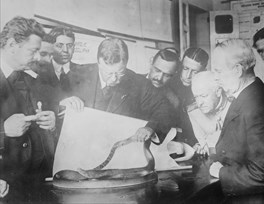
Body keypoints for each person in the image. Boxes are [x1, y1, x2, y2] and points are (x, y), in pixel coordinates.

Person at [192, 39, 264, 203]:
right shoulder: (248, 96)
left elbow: (263, 174)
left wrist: (221, 173)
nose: (216, 78)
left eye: (218, 71)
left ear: (237, 70)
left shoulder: (257, 105)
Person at [69, 37, 175, 142]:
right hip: (80, 142)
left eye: (120, 73)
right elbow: (54, 101)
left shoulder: (139, 84)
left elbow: (165, 110)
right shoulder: (77, 74)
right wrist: (63, 102)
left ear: (126, 63)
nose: (115, 79)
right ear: (99, 63)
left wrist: (150, 127)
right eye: (109, 73)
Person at [0, 16, 57, 199]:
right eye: (32, 51)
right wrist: (3, 130)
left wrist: (51, 121)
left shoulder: (32, 78)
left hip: (35, 183)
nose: (36, 58)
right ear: (11, 45)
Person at [170, 47, 209, 148]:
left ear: (204, 71)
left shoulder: (208, 90)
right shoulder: (168, 84)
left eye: (195, 72)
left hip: (194, 145)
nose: (188, 76)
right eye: (185, 68)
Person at [189, 71, 230, 156]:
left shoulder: (235, 107)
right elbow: (207, 149)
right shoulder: (194, 113)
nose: (199, 103)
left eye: (204, 96)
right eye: (196, 97)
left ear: (218, 92)